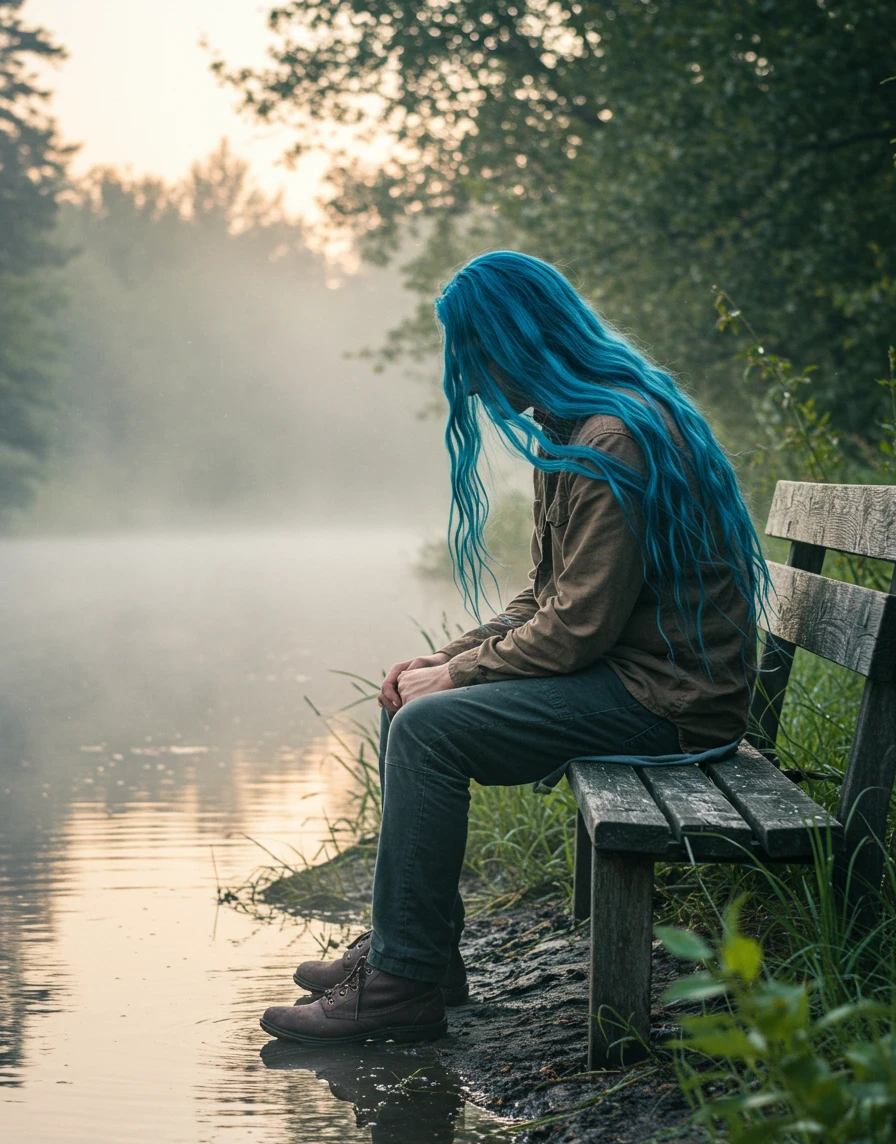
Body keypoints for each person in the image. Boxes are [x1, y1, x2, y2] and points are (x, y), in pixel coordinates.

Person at [260, 250, 768, 1046]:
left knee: (430, 726)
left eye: (473, 357)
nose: (465, 382)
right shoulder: (578, 425)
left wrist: (453, 679)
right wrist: (444, 663)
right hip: (635, 681)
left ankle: (400, 990)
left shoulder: (614, 438)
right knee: (413, 706)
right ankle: (416, 956)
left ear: (519, 340)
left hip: (671, 706)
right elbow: (550, 597)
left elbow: (575, 631)